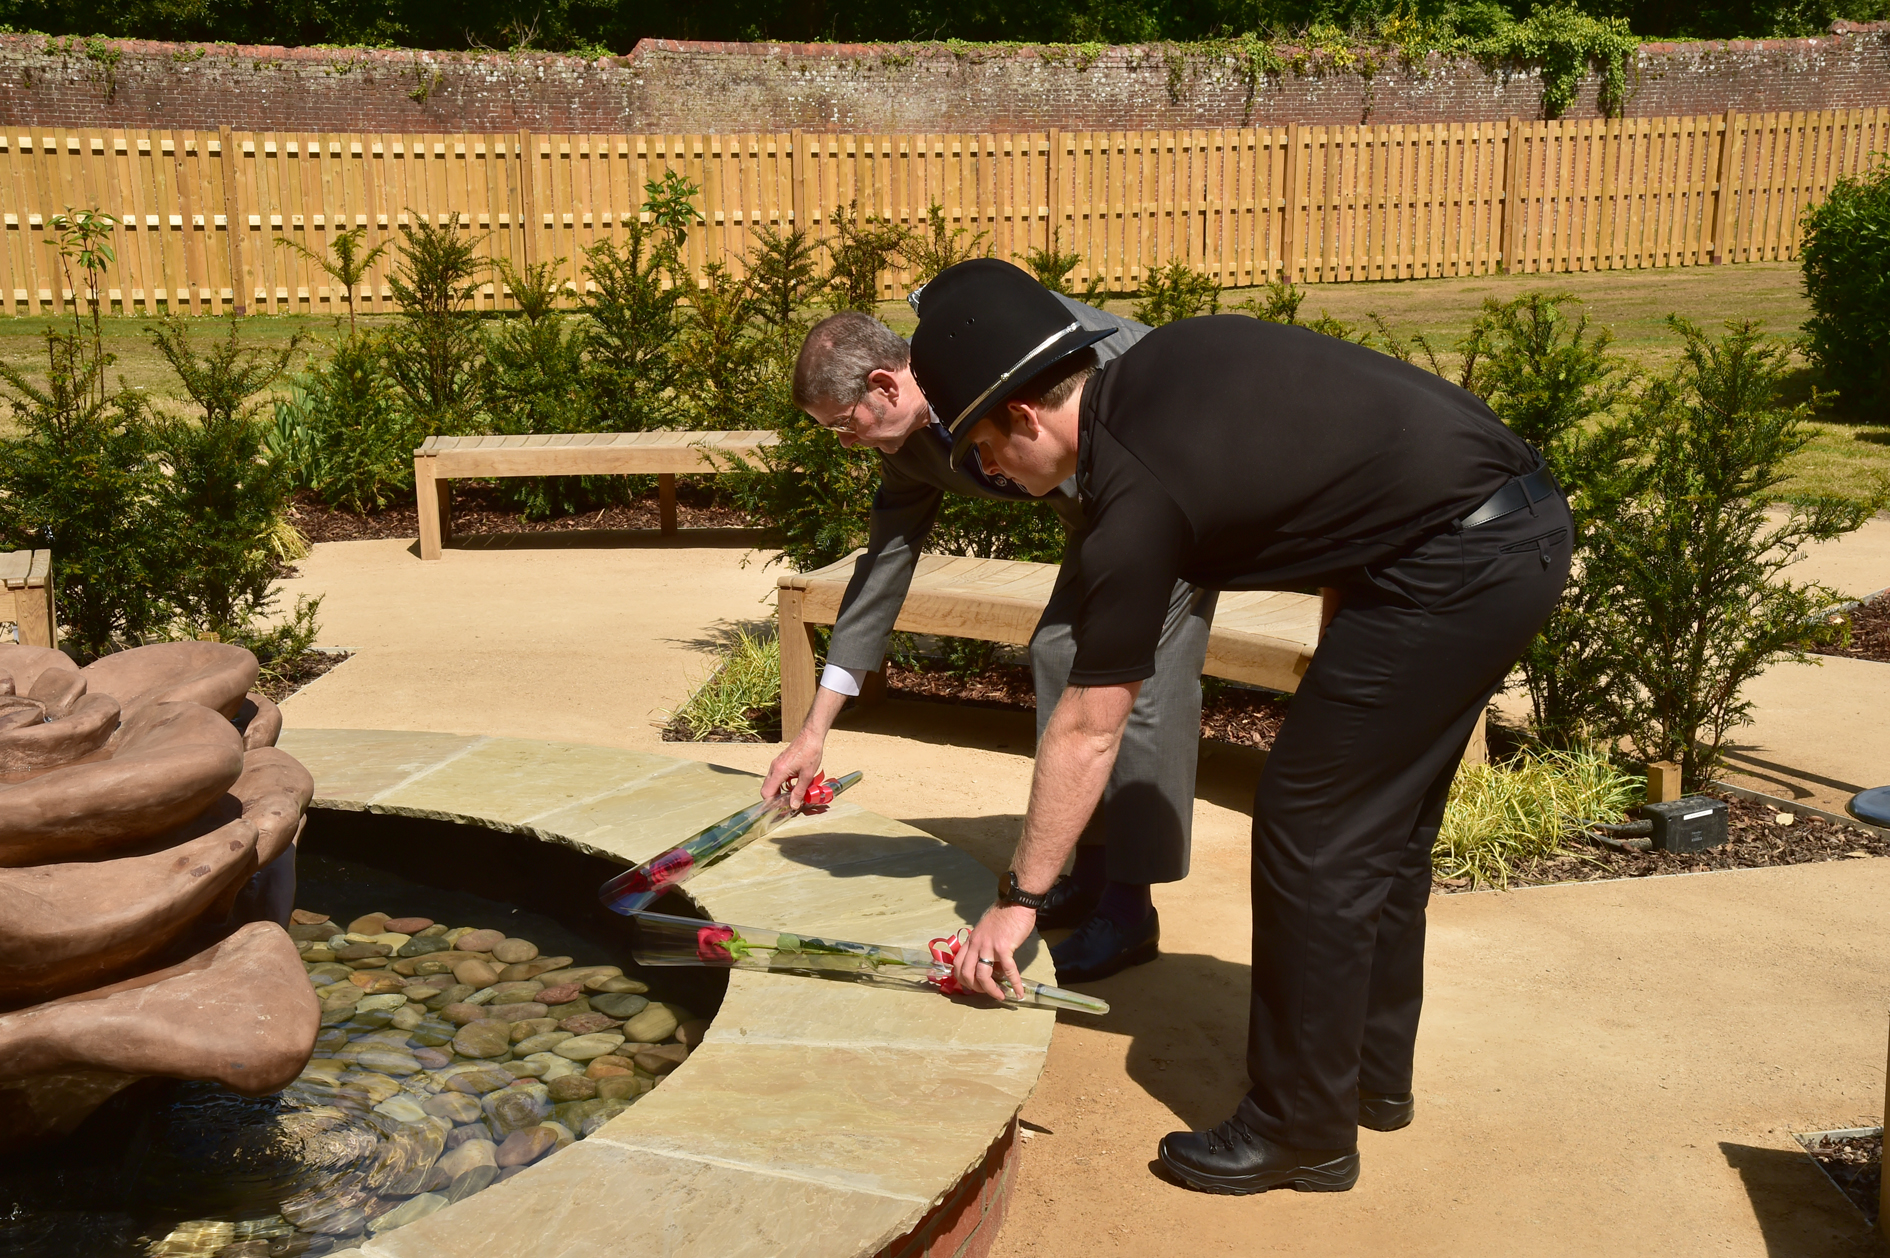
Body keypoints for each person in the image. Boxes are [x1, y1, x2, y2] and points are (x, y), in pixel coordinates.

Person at [914, 260, 1571, 1195]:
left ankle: (1303, 1129)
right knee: (1379, 832)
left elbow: (1090, 728)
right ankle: (1369, 1079)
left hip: (1456, 564)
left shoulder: (1132, 499)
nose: (988, 472)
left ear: (1024, 414)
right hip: (1506, 532)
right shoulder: (1170, 360)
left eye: (981, 446)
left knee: (1309, 832)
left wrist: (1020, 900)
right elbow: (1359, 484)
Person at [762, 259, 1217, 983]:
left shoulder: (983, 357)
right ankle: (1097, 875)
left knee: (1135, 680)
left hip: (1175, 472)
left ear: (884, 385)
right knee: (1058, 653)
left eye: (842, 427)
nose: (845, 445)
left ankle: (1132, 909)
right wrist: (813, 733)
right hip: (1100, 512)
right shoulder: (907, 446)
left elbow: (1097, 360)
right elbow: (881, 572)